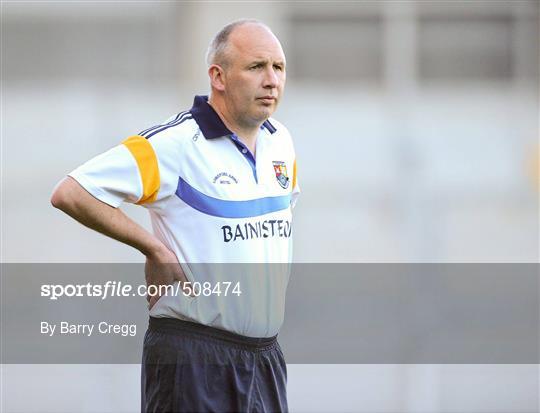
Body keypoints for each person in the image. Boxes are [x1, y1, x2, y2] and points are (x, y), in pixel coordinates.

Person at [51, 19, 299, 412]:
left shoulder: (280, 142)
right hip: (194, 358)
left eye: (279, 68)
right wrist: (154, 248)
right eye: (256, 67)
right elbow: (72, 192)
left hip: (264, 359)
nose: (271, 80)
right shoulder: (176, 144)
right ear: (218, 76)